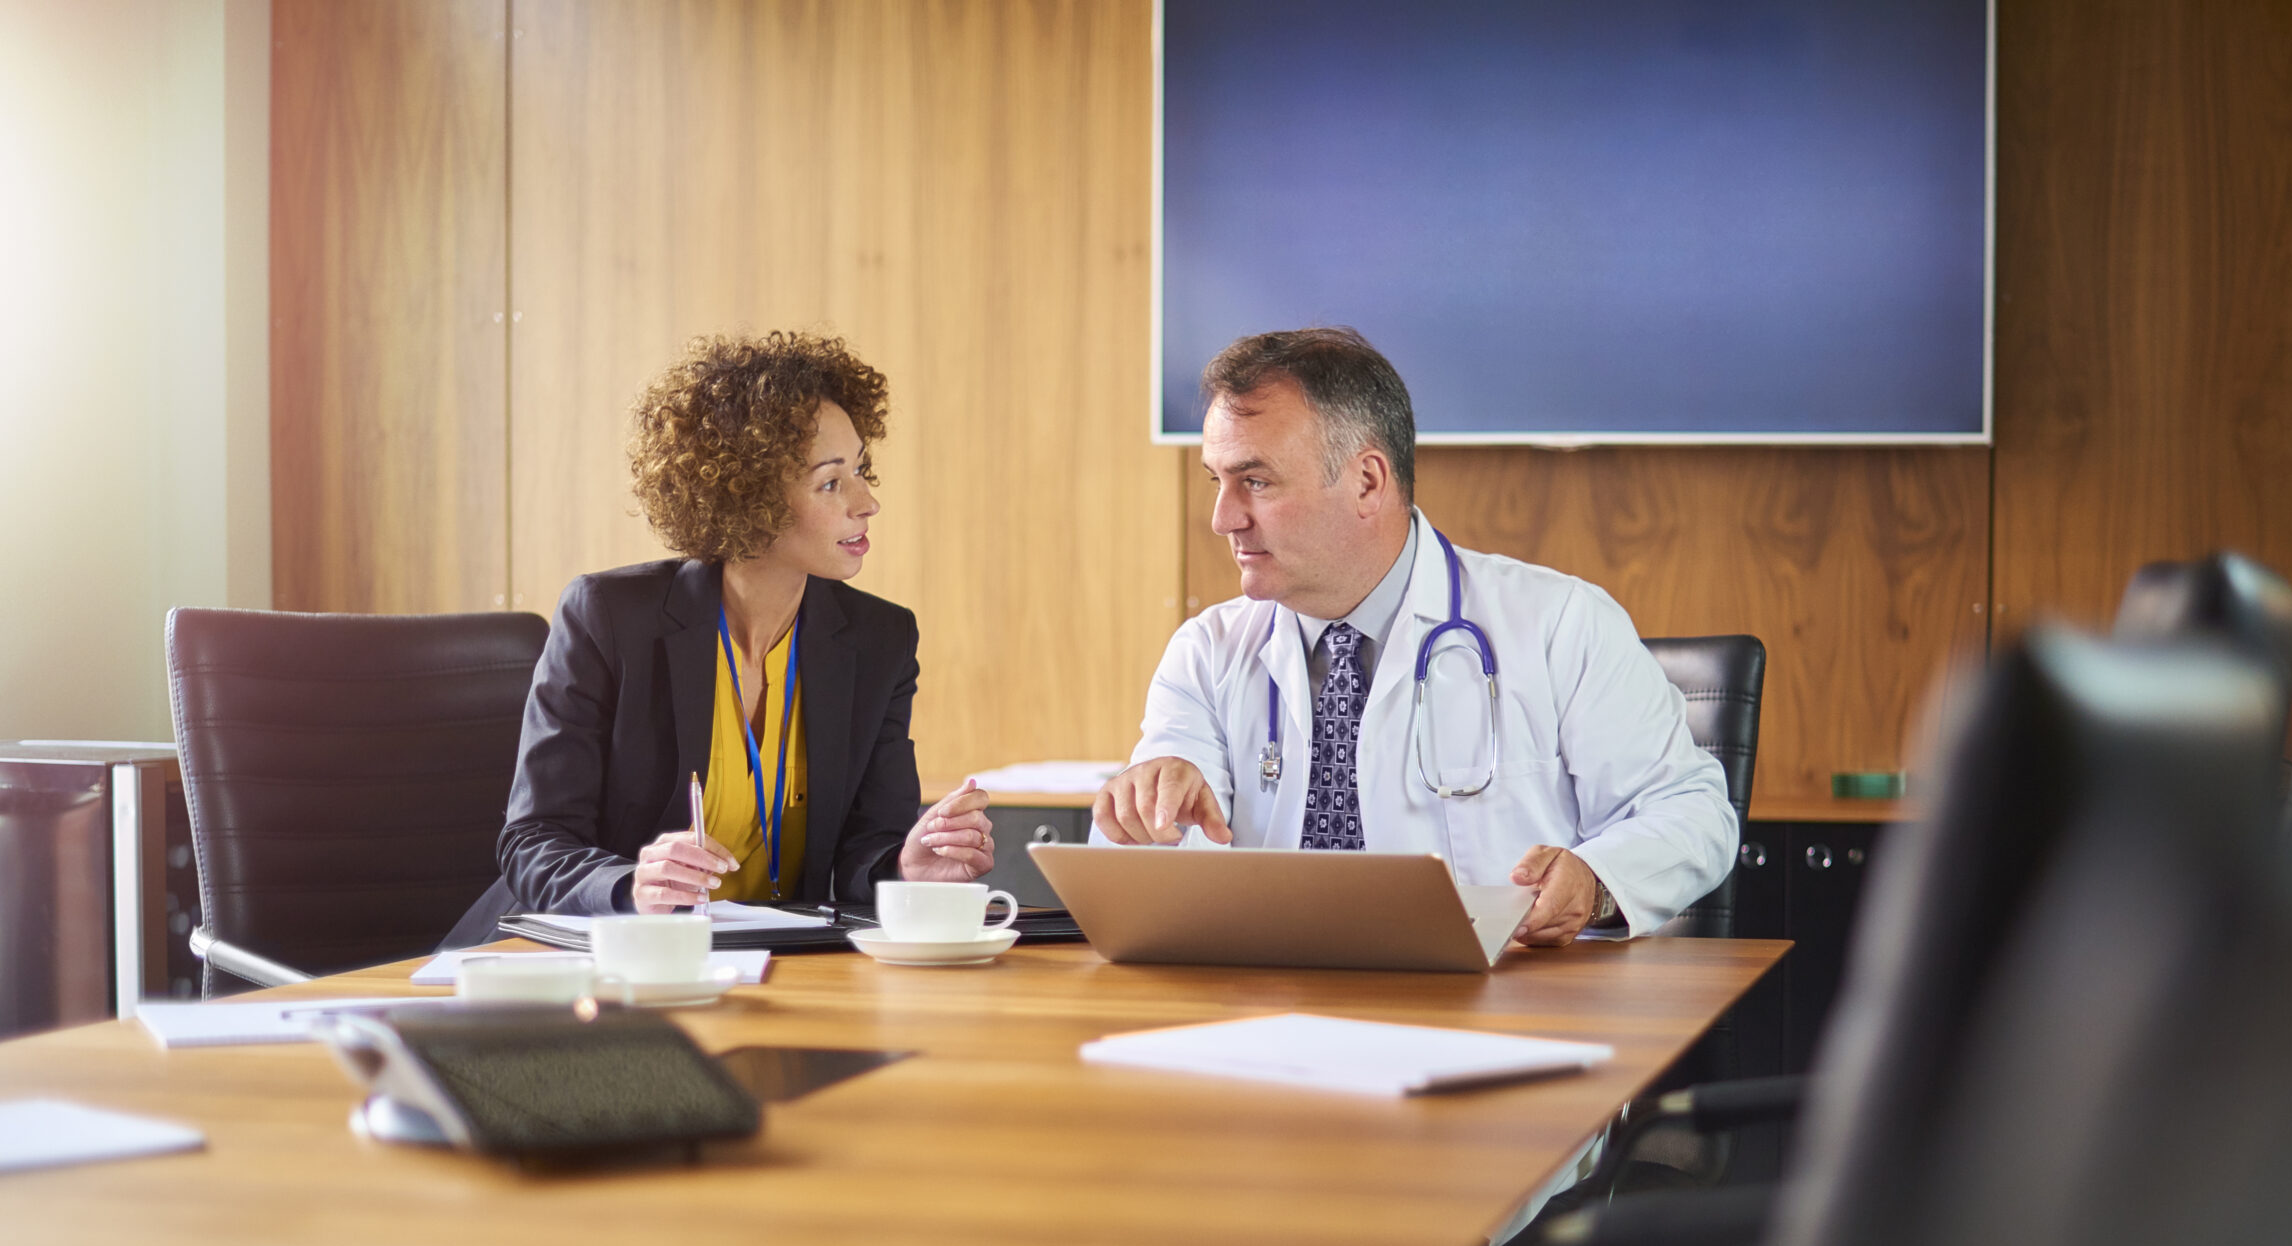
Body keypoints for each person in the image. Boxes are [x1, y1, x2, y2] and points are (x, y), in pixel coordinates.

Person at [1094, 327, 1736, 941]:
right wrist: (1147, 800)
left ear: (1367, 482)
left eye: (1255, 482)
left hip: (1498, 1015)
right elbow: (1162, 810)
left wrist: (1596, 881)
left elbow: (1693, 813)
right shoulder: (1207, 652)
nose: (1222, 518)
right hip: (1268, 1014)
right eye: (1218, 480)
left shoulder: (1559, 622)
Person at [446, 331, 993, 944]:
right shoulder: (609, 618)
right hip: (587, 961)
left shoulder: (880, 639)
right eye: (831, 482)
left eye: (861, 470)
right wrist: (631, 884)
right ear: (750, 495)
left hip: (762, 965)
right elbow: (532, 843)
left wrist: (906, 867)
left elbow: (867, 848)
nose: (867, 503)